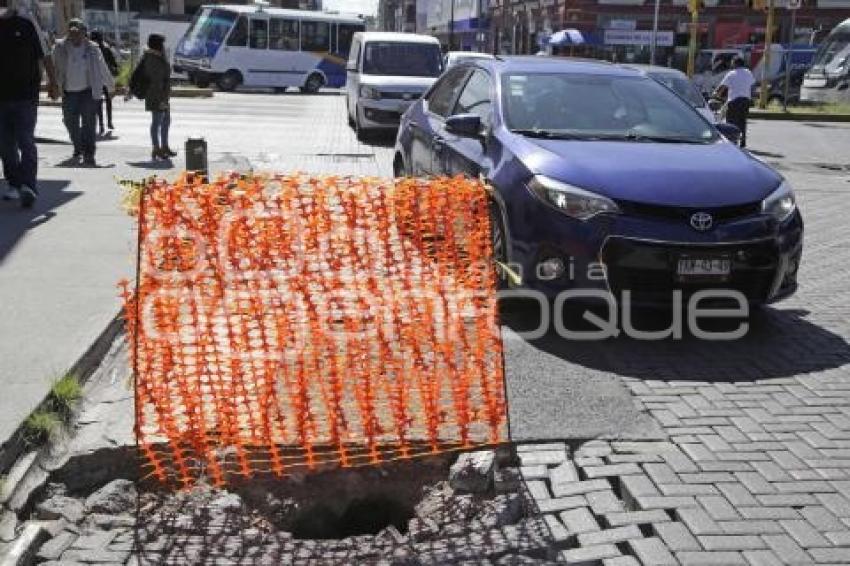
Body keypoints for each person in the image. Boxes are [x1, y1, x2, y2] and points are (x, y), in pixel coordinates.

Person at [0, 1, 59, 208]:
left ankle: (29, 186)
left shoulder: (26, 22)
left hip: (25, 95)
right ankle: (14, 184)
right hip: (2, 98)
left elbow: (45, 54)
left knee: (25, 140)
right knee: (5, 146)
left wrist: (53, 83)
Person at [52, 18, 115, 166]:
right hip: (68, 92)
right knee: (69, 122)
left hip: (88, 91)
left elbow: (102, 67)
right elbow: (53, 68)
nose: (75, 36)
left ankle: (89, 154)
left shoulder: (93, 48)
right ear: (68, 33)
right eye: (72, 32)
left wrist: (111, 86)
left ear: (84, 33)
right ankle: (78, 146)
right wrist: (52, 85)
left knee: (89, 124)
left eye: (78, 32)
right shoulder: (59, 47)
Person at [139, 33, 175, 160]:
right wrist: (161, 99)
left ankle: (164, 146)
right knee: (157, 122)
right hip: (156, 95)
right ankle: (156, 148)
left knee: (166, 121)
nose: (163, 46)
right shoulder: (151, 59)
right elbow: (156, 81)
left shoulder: (159, 57)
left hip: (163, 95)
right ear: (157, 45)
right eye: (161, 44)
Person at [717, 56, 755, 148]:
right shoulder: (748, 72)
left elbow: (722, 87)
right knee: (742, 122)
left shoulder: (731, 73)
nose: (731, 64)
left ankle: (731, 142)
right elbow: (752, 84)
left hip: (734, 101)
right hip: (745, 101)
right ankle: (743, 142)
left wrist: (716, 94)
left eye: (732, 63)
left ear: (735, 63)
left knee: (731, 122)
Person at [89, 29, 118, 135]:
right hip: (104, 78)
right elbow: (114, 64)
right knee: (107, 101)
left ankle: (102, 124)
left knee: (99, 102)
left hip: (98, 79)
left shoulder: (91, 49)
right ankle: (108, 122)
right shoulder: (104, 48)